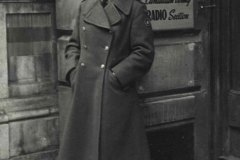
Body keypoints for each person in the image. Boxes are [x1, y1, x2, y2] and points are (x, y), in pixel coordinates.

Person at [58, 0, 154, 159]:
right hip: (84, 93)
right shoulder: (85, 6)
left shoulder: (134, 8)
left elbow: (144, 52)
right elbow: (73, 45)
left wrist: (115, 78)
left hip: (114, 97)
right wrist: (73, 74)